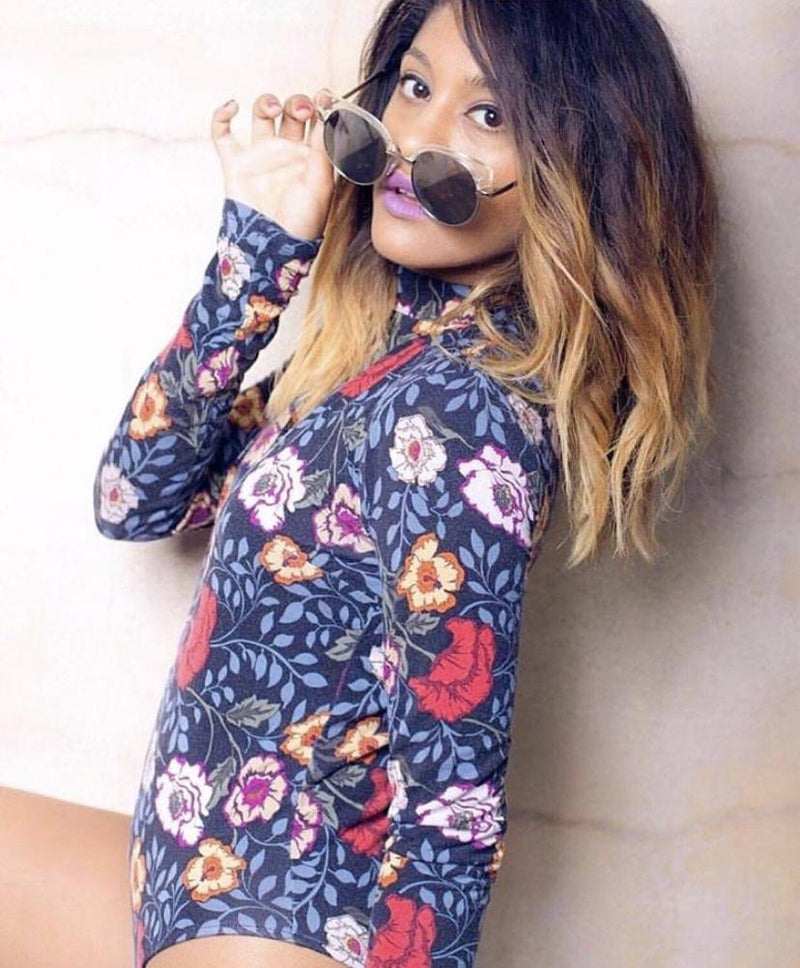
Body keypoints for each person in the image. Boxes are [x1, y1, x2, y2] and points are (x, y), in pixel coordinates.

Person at [1, 1, 719, 967]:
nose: (415, 139)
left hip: (272, 924)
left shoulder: (454, 412)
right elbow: (135, 498)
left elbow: (454, 801)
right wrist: (259, 256)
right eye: (414, 86)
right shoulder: (375, 357)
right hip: (193, 877)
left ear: (575, 169)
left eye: (489, 113)